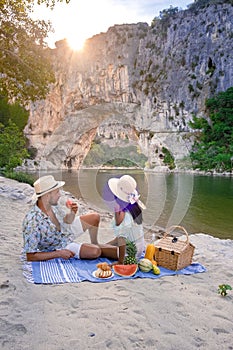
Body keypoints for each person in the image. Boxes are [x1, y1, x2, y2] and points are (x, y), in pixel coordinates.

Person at [22, 175, 103, 262]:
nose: (59, 195)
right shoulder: (32, 221)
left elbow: (67, 221)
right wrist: (58, 253)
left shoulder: (53, 205)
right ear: (47, 195)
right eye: (57, 192)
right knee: (95, 252)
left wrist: (72, 212)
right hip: (60, 245)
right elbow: (30, 256)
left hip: (66, 231)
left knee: (95, 217)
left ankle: (94, 243)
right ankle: (91, 247)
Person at [103, 174, 146, 264]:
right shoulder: (134, 208)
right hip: (139, 248)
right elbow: (120, 236)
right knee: (103, 246)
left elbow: (121, 240)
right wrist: (106, 244)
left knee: (100, 250)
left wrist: (120, 262)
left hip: (130, 253)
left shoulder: (125, 216)